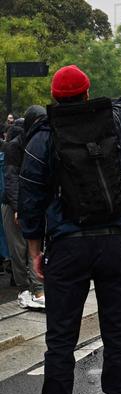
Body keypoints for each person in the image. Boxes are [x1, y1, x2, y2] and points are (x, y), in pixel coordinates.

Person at [19, 34, 121, 394]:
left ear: (54, 97)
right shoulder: (112, 122)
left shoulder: (43, 137)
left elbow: (30, 202)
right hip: (112, 244)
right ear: (87, 94)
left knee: (60, 339)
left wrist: (35, 251)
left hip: (66, 246)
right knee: (115, 330)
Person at [3, 108, 45, 309]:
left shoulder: (40, 143)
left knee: (34, 248)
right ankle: (24, 289)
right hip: (16, 204)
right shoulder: (15, 146)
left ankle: (38, 288)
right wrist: (17, 206)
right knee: (19, 249)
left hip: (33, 203)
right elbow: (11, 179)